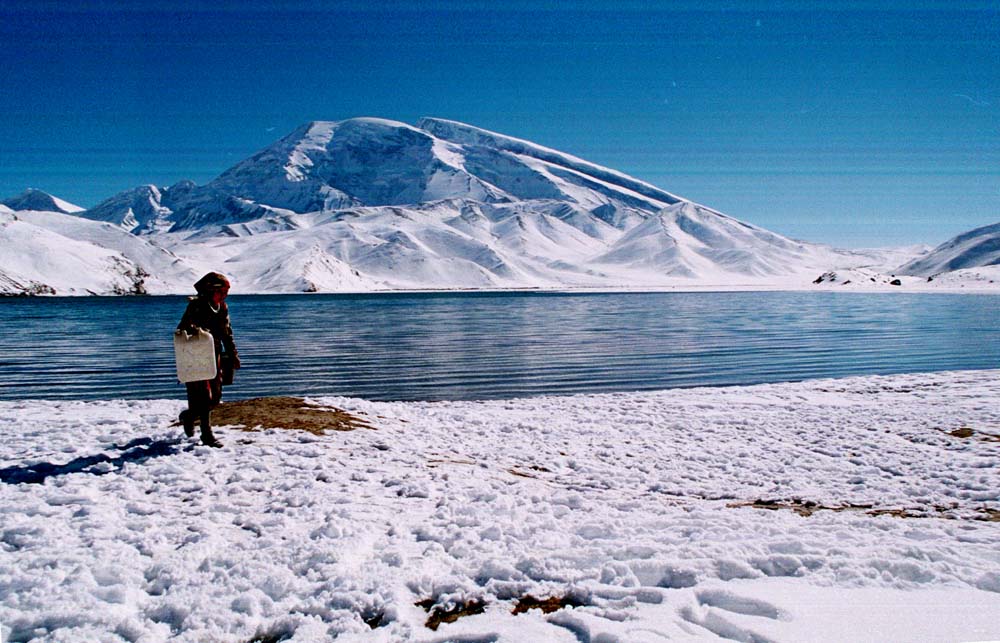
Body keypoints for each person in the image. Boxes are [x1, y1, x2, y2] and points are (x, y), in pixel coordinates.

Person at [177, 272, 240, 447]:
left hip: (215, 354)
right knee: (204, 395)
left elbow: (227, 333)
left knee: (215, 397)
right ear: (212, 290)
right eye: (222, 291)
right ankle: (207, 435)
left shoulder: (222, 307)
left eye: (227, 292)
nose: (225, 295)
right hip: (196, 355)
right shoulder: (196, 306)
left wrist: (233, 354)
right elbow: (182, 329)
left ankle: (189, 416)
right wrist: (197, 331)